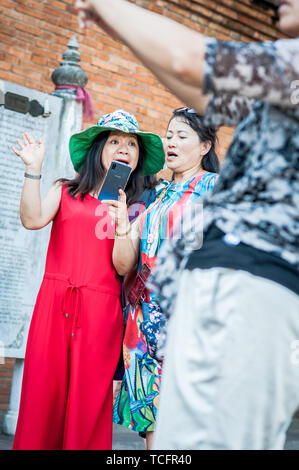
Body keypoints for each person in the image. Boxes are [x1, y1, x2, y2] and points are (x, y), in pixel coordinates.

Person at [74, 0, 299, 450]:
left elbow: (191, 62)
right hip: (208, 292)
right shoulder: (279, 94)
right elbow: (199, 89)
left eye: (183, 136)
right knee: (179, 441)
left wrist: (109, 6)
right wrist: (127, 34)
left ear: (203, 147)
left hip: (257, 285)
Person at [11, 109, 165, 450]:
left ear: (139, 158)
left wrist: (123, 221)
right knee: (42, 395)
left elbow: (123, 267)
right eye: (114, 141)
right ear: (98, 149)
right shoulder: (65, 191)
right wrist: (32, 170)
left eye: (131, 144)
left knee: (87, 406)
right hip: (54, 304)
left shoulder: (137, 208)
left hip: (100, 312)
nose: (124, 148)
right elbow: (32, 218)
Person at [104, 108, 219, 450]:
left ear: (204, 147)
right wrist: (123, 224)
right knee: (153, 420)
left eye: (182, 136)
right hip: (143, 322)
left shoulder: (212, 189)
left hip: (186, 316)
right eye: (169, 135)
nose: (171, 142)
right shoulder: (159, 195)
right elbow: (124, 264)